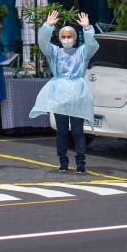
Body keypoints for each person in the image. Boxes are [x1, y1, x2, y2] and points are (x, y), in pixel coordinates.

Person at [30, 10, 99, 174]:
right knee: (61, 131)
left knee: (77, 131)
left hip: (77, 95)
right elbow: (42, 42)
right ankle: (63, 162)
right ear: (59, 38)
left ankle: (81, 163)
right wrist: (48, 26)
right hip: (60, 96)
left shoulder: (82, 52)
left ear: (75, 39)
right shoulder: (54, 52)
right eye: (63, 36)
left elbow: (91, 46)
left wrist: (88, 28)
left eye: (70, 36)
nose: (67, 39)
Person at [15, 0, 48, 71]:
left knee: (39, 39)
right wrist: (20, 17)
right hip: (26, 17)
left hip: (39, 17)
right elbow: (19, 5)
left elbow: (44, 6)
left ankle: (40, 60)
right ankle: (26, 61)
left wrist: (45, 18)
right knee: (26, 40)